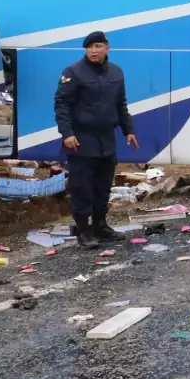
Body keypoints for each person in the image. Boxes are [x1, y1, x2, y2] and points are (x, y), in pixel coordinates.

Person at [54, 31, 138, 249]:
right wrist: (67, 134)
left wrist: (128, 130)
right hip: (81, 140)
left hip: (106, 140)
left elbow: (121, 104)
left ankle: (101, 225)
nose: (93, 51)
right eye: (89, 47)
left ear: (107, 48)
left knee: (103, 186)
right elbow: (62, 105)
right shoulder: (73, 72)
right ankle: (84, 231)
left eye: (98, 46)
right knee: (82, 188)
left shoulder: (116, 72)